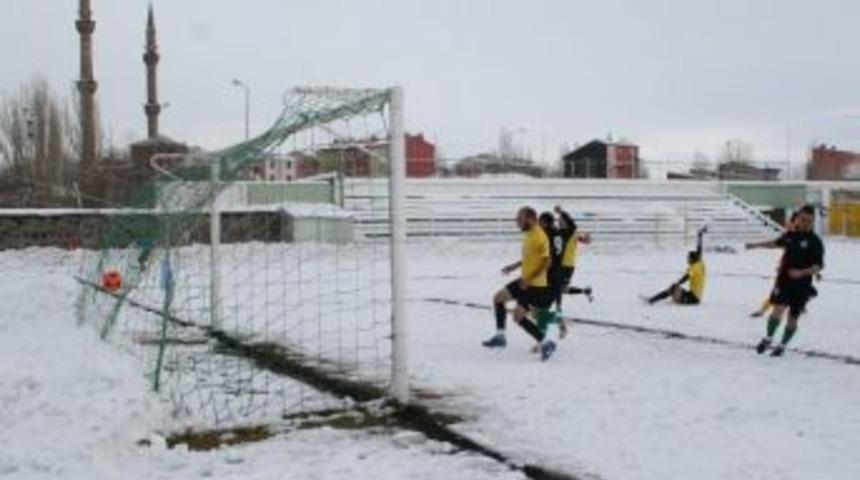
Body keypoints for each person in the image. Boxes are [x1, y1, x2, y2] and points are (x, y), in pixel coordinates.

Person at [745, 205, 824, 357]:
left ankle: (782, 345)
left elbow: (819, 265)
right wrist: (755, 245)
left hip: (802, 285)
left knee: (793, 317)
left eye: (809, 221)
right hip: (784, 281)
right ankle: (768, 338)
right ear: (798, 219)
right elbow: (775, 243)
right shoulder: (790, 235)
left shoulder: (815, 242)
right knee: (777, 310)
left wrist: (802, 272)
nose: (805, 223)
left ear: (813, 221)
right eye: (803, 219)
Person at [482, 207, 558, 361]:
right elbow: (531, 257)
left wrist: (530, 279)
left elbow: (547, 262)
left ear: (530, 218)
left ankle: (546, 343)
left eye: (520, 219)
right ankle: (500, 337)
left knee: (518, 317)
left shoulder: (540, 236)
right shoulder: (530, 234)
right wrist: (514, 266)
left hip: (534, 285)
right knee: (498, 298)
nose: (517, 222)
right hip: (524, 280)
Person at [644, 226, 707, 305]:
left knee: (673, 287)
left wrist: (676, 285)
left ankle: (651, 300)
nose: (687, 259)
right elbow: (699, 249)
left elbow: (686, 277)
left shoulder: (694, 268)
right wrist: (699, 235)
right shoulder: (699, 262)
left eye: (688, 258)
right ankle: (652, 300)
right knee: (674, 288)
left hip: (693, 299)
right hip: (693, 296)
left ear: (692, 259)